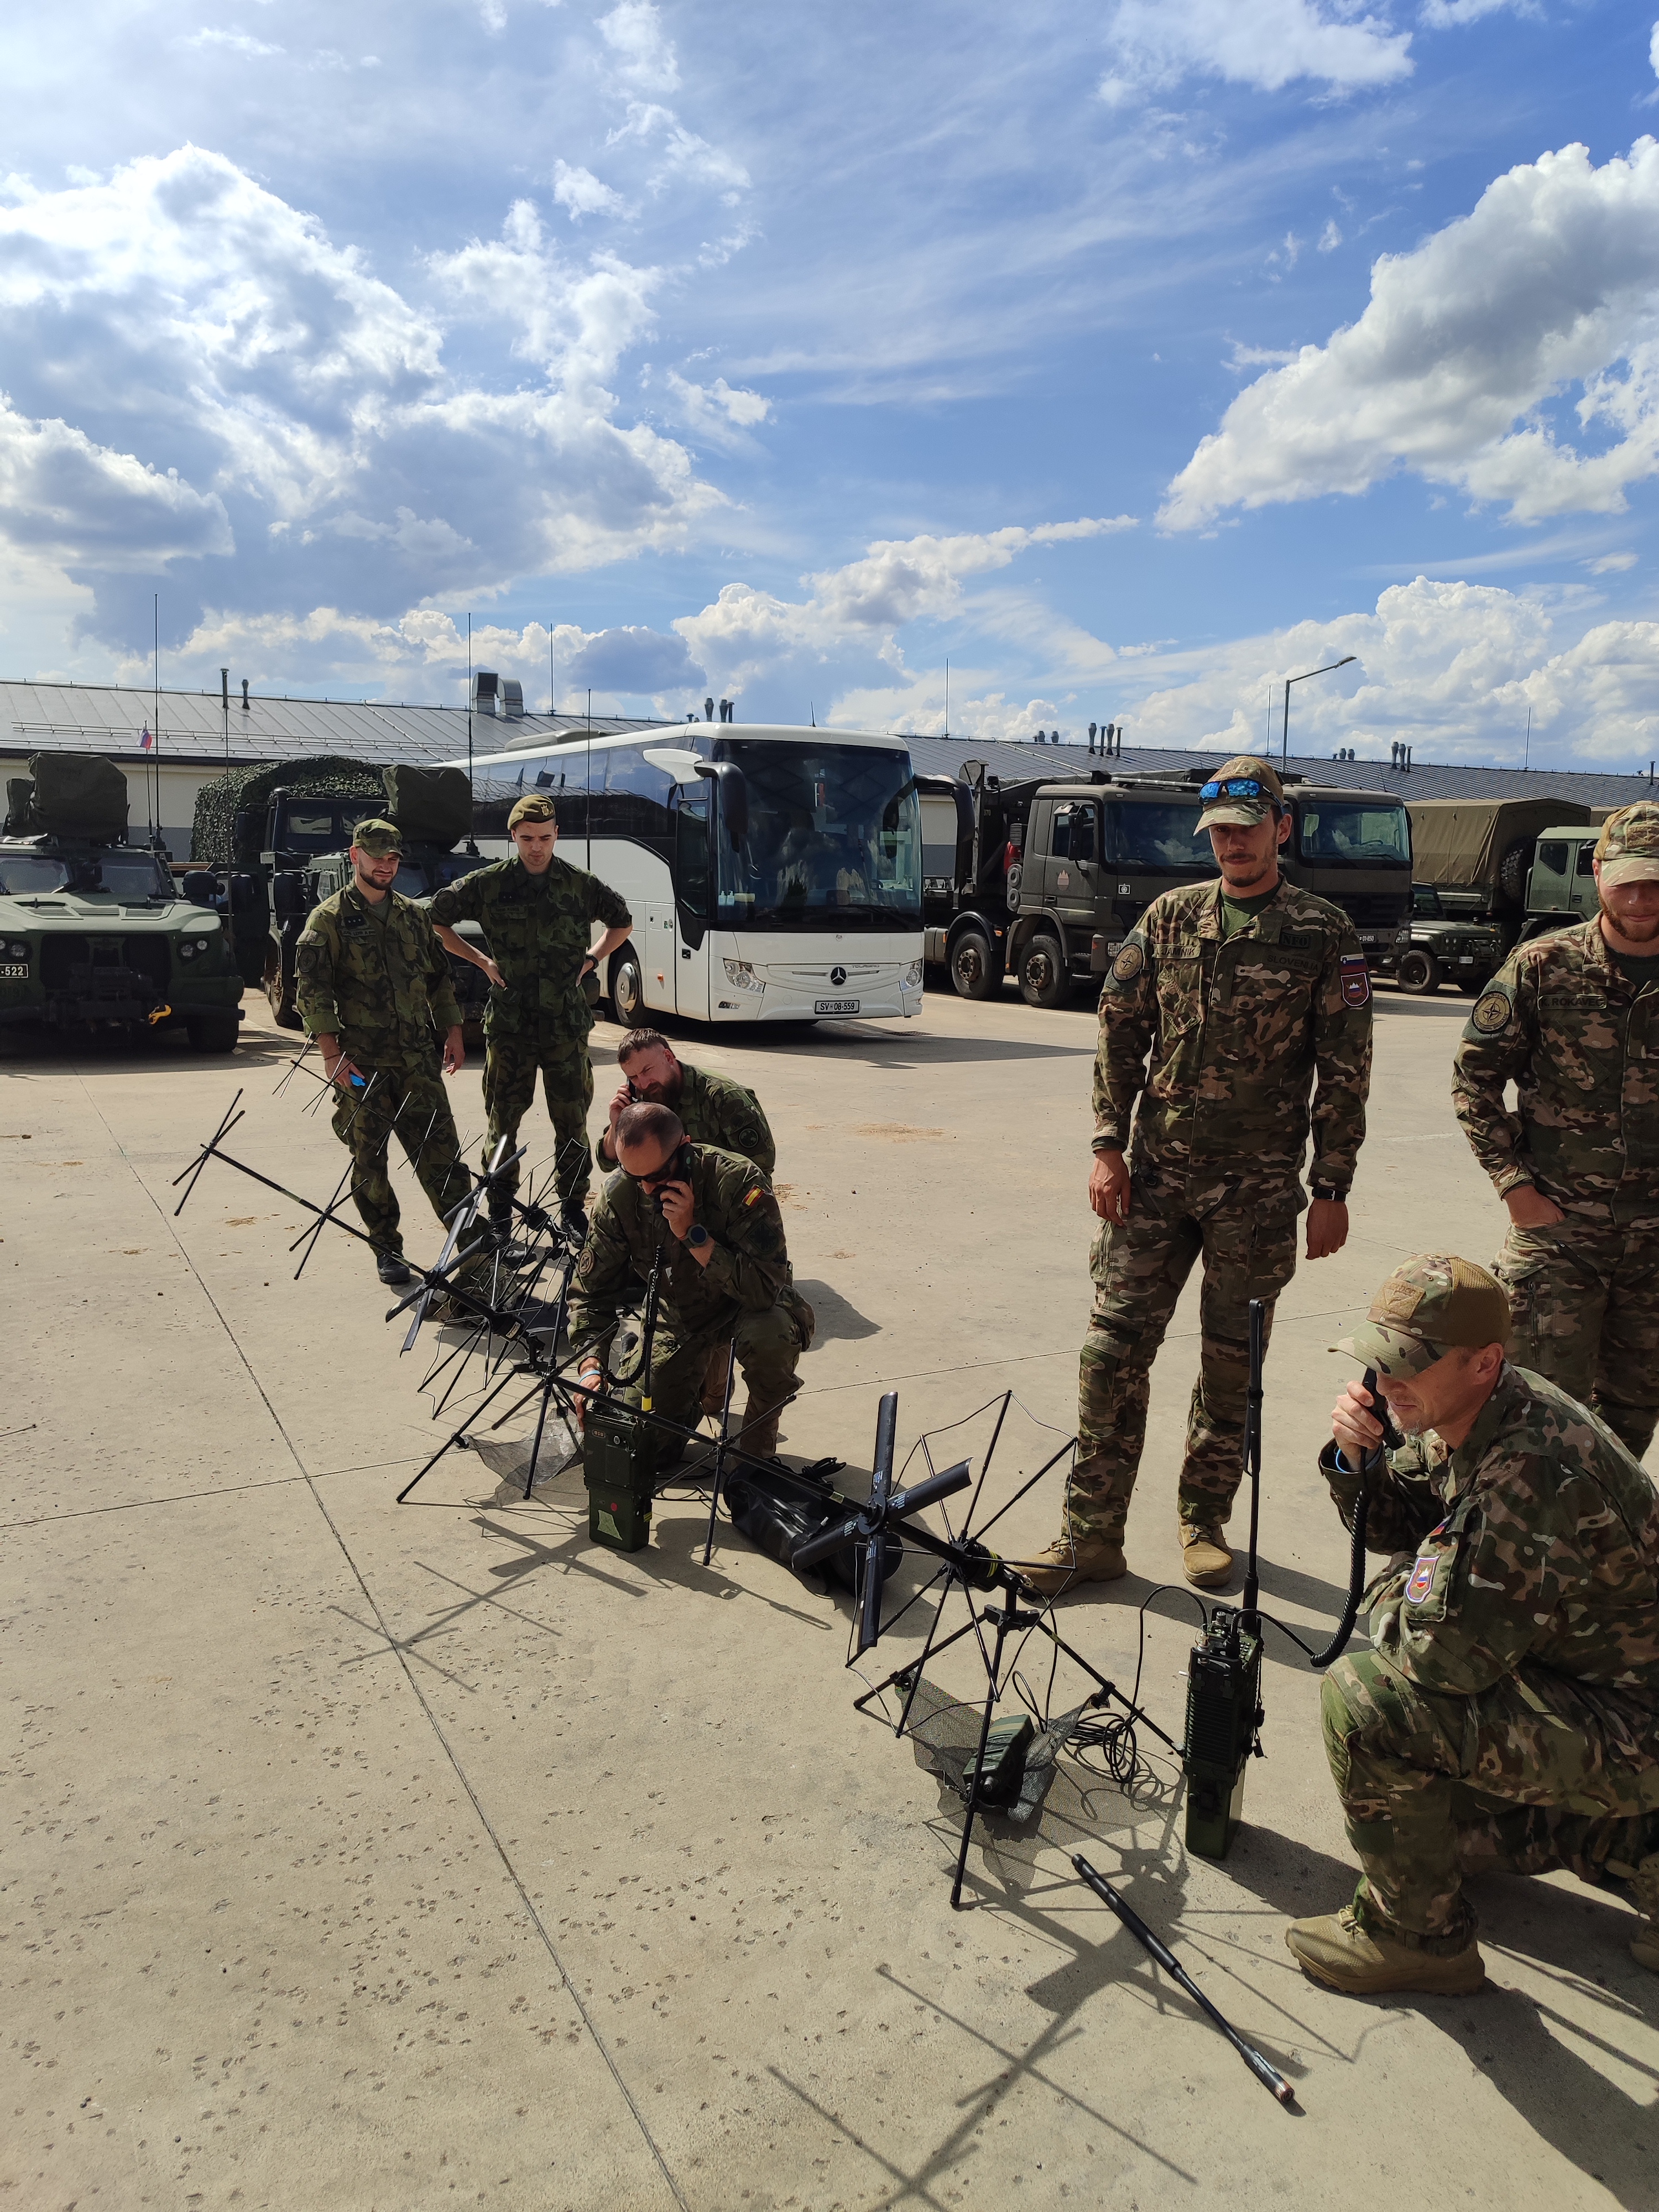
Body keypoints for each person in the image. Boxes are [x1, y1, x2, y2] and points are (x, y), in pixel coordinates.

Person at [1025, 754, 1373, 1596]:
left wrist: (1331, 1190)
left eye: (1248, 830)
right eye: (1219, 833)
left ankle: (1202, 1522)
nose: (1233, 846)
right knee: (1111, 1354)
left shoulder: (1323, 934)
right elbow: (1119, 1029)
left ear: (1281, 829)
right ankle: (1091, 1535)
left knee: (1230, 1369)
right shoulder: (1170, 919)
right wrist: (1108, 1145)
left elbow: (1346, 1069)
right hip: (1154, 1181)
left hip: (1254, 1195)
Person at [1287, 1251, 1659, 1996]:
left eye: (1408, 1366)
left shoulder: (1532, 1470)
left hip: (1632, 1727)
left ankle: (1420, 1939)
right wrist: (1356, 1464)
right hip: (1593, 1692)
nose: (1387, 1383)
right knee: (1431, 1830)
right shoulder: (1477, 1412)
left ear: (1484, 1361)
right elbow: (1402, 1522)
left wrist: (1390, 1595)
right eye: (1378, 1362)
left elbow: (1444, 1659)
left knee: (1368, 1705)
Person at [1452, 800, 1659, 1460]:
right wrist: (1513, 1184)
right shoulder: (1544, 965)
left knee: (1631, 1416)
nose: (1641, 894)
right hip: (1559, 1236)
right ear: (1597, 871)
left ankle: (1598, 1550)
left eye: (1656, 878)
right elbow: (1473, 1077)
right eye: (1626, 877)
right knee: (1530, 1407)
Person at [294, 817, 482, 1302]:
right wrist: (331, 1056)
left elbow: (440, 978)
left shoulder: (414, 917)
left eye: (393, 857)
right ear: (355, 857)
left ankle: (473, 1242)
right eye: (376, 856)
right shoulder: (328, 920)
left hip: (417, 1059)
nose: (385, 865)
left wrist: (454, 1031)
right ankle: (387, 1248)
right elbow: (313, 992)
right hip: (361, 1066)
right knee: (369, 1159)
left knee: (440, 1151)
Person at [431, 794, 631, 1237]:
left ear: (557, 834)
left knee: (572, 1121)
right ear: (513, 837)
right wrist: (482, 961)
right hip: (511, 1026)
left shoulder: (580, 884)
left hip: (565, 1025)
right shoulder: (489, 883)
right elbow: (435, 920)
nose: (536, 847)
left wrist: (593, 959)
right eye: (527, 839)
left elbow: (623, 922)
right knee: (503, 1121)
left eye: (544, 837)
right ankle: (501, 1213)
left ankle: (574, 1209)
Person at [566, 1101, 808, 1467]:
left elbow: (764, 1288)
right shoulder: (620, 1194)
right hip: (679, 1314)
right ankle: (705, 1381)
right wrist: (590, 1369)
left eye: (658, 1175)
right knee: (641, 1450)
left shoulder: (738, 1180)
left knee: (770, 1334)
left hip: (745, 1306)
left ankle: (757, 1451)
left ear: (685, 1149)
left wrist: (694, 1236)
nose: (647, 1189)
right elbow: (590, 1294)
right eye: (636, 1177)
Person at [595, 1028, 776, 1179]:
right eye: (633, 1077)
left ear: (668, 1057)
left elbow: (761, 1167)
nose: (643, 1083)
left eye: (647, 1070)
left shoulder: (724, 1097)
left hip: (721, 1197)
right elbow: (607, 1162)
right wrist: (616, 1123)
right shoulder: (641, 1098)